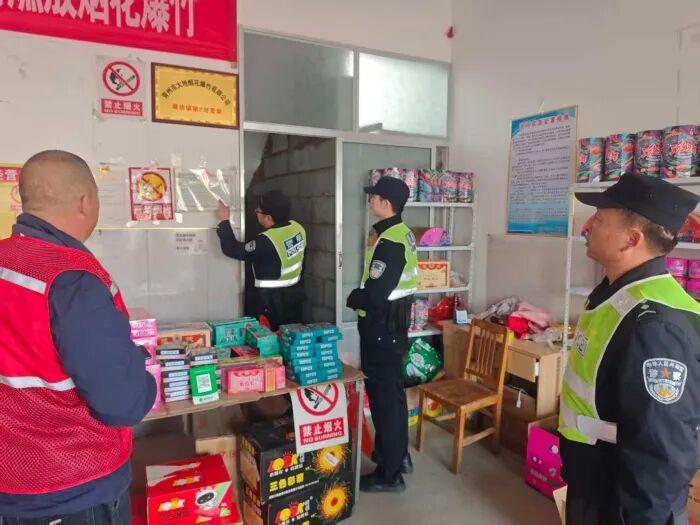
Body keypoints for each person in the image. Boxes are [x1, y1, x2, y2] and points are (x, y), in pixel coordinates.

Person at [0, 150, 157, 524]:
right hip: (75, 487)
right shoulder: (71, 279)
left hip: (11, 481)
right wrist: (141, 369)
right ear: (85, 201)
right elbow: (123, 404)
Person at [559, 174, 700, 525]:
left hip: (622, 503)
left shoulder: (656, 325)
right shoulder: (616, 293)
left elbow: (662, 452)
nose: (587, 227)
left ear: (631, 240)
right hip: (594, 479)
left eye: (600, 219)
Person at [346, 176, 418, 493]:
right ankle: (398, 456)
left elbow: (375, 296)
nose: (370, 201)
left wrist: (353, 297)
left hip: (381, 330)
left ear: (385, 203)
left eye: (374, 197)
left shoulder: (390, 243)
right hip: (392, 328)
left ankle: (389, 474)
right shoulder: (401, 233)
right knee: (394, 396)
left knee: (384, 401)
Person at [216, 190, 307, 331]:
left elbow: (233, 249)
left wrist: (224, 221)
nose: (256, 213)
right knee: (291, 336)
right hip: (294, 297)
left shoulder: (266, 241)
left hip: (272, 303)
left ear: (269, 217)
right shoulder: (298, 228)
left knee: (271, 338)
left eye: (258, 211)